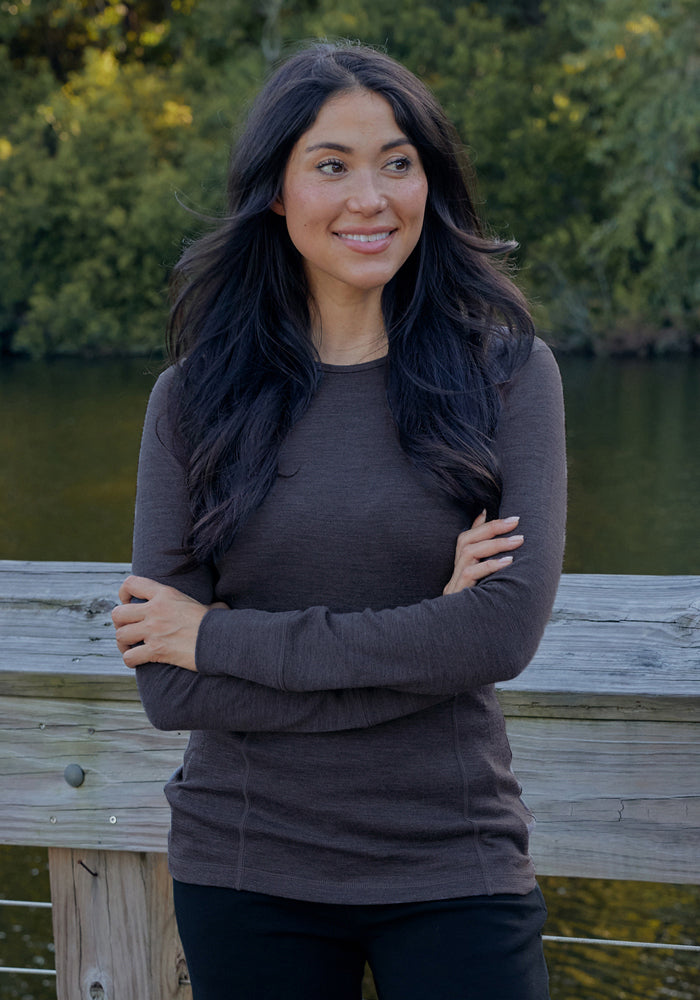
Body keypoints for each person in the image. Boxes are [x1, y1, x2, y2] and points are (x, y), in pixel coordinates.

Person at [112, 41, 566, 1000]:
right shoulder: (192, 401)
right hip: (246, 865)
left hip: (455, 861)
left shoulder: (508, 376)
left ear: (429, 183)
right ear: (276, 195)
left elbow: (498, 634)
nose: (372, 198)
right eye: (332, 165)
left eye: (397, 162)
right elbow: (170, 689)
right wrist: (428, 639)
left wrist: (219, 639)